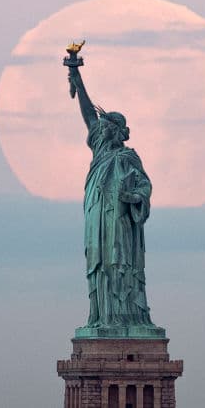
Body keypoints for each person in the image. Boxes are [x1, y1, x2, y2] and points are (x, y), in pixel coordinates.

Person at [68, 64, 154, 328]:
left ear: (118, 130)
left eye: (106, 127)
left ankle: (126, 316)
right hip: (97, 218)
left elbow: (145, 186)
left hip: (119, 221)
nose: (101, 130)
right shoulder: (100, 152)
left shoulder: (128, 157)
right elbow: (88, 115)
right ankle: (102, 316)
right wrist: (76, 77)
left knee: (120, 264)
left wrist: (133, 196)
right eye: (101, 128)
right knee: (99, 265)